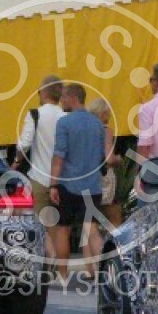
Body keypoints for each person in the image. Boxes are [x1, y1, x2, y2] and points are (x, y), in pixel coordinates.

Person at [49, 83, 106, 282]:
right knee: (91, 228)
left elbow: (59, 155)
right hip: (92, 185)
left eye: (64, 97)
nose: (61, 101)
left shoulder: (64, 123)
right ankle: (103, 272)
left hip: (68, 185)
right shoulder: (97, 124)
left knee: (63, 228)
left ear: (73, 98)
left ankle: (62, 274)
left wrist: (53, 184)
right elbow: (102, 156)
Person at [16, 75, 64, 262]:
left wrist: (17, 159)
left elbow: (24, 144)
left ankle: (46, 262)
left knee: (40, 224)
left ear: (42, 93)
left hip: (38, 176)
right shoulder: (65, 116)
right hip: (61, 180)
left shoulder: (34, 114)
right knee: (58, 226)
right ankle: (60, 267)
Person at [87, 96, 124, 230]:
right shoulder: (105, 130)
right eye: (107, 113)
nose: (109, 116)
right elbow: (109, 158)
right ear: (102, 113)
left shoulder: (83, 130)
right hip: (103, 176)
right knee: (114, 217)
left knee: (90, 220)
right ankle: (116, 248)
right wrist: (119, 160)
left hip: (86, 177)